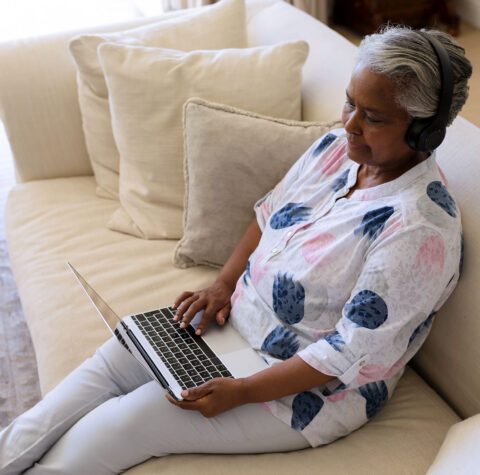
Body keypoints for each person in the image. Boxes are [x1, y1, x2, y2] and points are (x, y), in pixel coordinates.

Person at [0, 26, 472, 474]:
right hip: (233, 326)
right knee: (93, 377)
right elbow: (270, 215)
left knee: (121, 425)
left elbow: (347, 355)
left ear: (423, 132)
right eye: (350, 103)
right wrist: (223, 285)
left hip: (301, 390)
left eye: (373, 118)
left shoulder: (419, 229)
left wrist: (242, 392)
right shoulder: (335, 148)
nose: (349, 124)